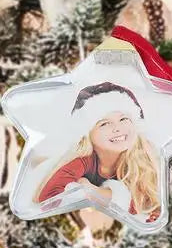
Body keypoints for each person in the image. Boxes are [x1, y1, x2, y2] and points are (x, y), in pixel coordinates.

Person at [35, 81, 160, 221]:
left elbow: (142, 203)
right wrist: (81, 193)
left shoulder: (140, 158)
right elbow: (47, 200)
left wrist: (93, 192)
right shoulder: (83, 161)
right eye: (104, 123)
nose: (117, 128)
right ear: (87, 133)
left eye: (123, 119)